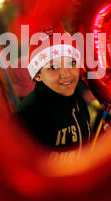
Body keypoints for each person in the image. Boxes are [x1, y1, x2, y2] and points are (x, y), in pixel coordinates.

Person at [15, 26, 92, 161]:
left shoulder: (78, 102)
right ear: (37, 75)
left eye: (71, 63)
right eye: (53, 67)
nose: (66, 74)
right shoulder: (26, 118)